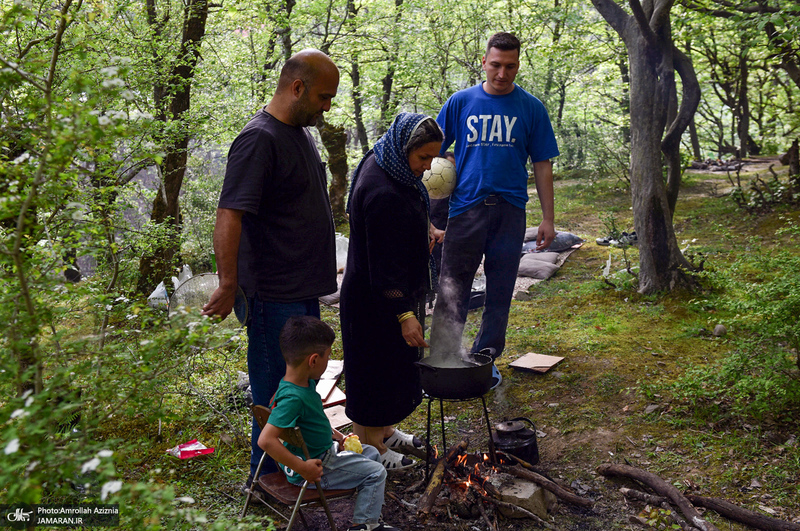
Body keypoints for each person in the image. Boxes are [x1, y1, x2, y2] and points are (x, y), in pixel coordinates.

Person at [201, 49, 340, 490]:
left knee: (299, 391)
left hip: (302, 289)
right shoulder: (258, 138)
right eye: (323, 96)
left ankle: (294, 472)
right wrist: (228, 283)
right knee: (273, 393)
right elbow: (230, 213)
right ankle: (263, 483)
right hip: (272, 294)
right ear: (296, 87)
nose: (327, 106)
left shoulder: (299, 132)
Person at [431, 32, 559, 387]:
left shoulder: (531, 107)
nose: (502, 73)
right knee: (452, 286)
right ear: (484, 62)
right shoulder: (460, 102)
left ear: (518, 65)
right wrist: (430, 210)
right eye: (496, 65)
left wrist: (548, 218)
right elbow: (432, 153)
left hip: (510, 211)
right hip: (466, 209)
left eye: (511, 66)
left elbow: (543, 164)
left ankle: (484, 358)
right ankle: (442, 359)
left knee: (500, 290)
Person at [340, 113, 444, 470]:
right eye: (423, 158)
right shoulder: (383, 191)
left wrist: (424, 228)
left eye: (433, 158)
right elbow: (384, 268)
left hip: (385, 288)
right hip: (374, 300)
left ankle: (384, 431)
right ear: (405, 149)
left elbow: (404, 217)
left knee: (391, 369)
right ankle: (373, 453)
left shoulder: (386, 159)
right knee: (373, 374)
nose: (428, 168)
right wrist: (406, 315)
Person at [259, 316, 399, 531]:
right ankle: (364, 525)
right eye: (328, 356)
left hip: (322, 452)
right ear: (313, 360)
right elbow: (266, 440)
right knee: (376, 472)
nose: (329, 361)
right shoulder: (293, 399)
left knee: (370, 452)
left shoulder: (298, 384)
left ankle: (367, 511)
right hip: (316, 466)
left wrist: (339, 436)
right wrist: (304, 469)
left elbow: (313, 421)